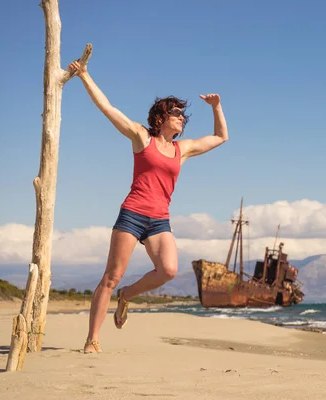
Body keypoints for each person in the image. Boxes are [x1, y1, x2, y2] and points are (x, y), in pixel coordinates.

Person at [66, 60, 229, 354]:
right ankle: (92, 339)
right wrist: (85, 76)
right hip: (132, 214)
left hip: (159, 220)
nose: (181, 118)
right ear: (160, 117)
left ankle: (127, 296)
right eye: (176, 113)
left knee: (168, 270)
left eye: (183, 114)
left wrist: (216, 107)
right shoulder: (143, 138)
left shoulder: (183, 150)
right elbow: (108, 109)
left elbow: (220, 137)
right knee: (111, 277)